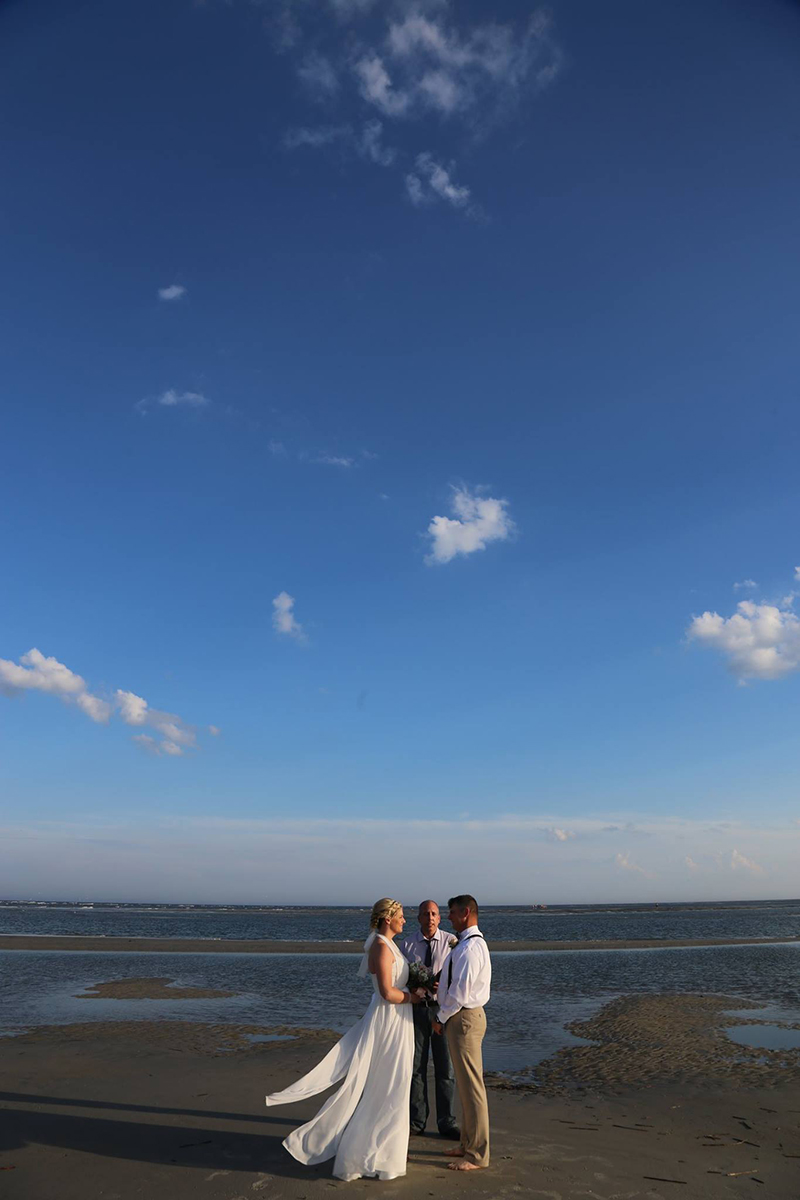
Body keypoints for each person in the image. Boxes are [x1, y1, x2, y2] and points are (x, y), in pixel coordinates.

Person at [265, 898, 424, 1181]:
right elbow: (388, 992)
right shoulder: (380, 945)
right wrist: (414, 997)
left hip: (398, 1020)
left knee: (394, 1084)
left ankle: (383, 1153)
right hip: (390, 1020)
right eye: (400, 915)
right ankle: (363, 1154)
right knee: (387, 1084)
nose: (404, 920)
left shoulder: (387, 944)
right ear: (387, 918)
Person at [432, 894, 492, 1172]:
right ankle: (467, 1144)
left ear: (466, 913)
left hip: (464, 1018)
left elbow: (459, 993)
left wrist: (440, 1017)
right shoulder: (467, 944)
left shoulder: (470, 949)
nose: (449, 917)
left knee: (472, 1089)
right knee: (466, 1088)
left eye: (453, 913)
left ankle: (478, 1155)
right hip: (462, 1018)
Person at [398, 900, 460, 1139]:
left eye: (434, 914)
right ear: (419, 918)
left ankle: (447, 1122)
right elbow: (401, 978)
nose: (430, 918)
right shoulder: (407, 945)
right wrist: (418, 984)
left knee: (446, 1068)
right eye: (426, 914)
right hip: (417, 1011)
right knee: (416, 1068)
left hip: (443, 1011)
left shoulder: (451, 943)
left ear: (440, 918)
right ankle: (417, 1121)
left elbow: (459, 975)